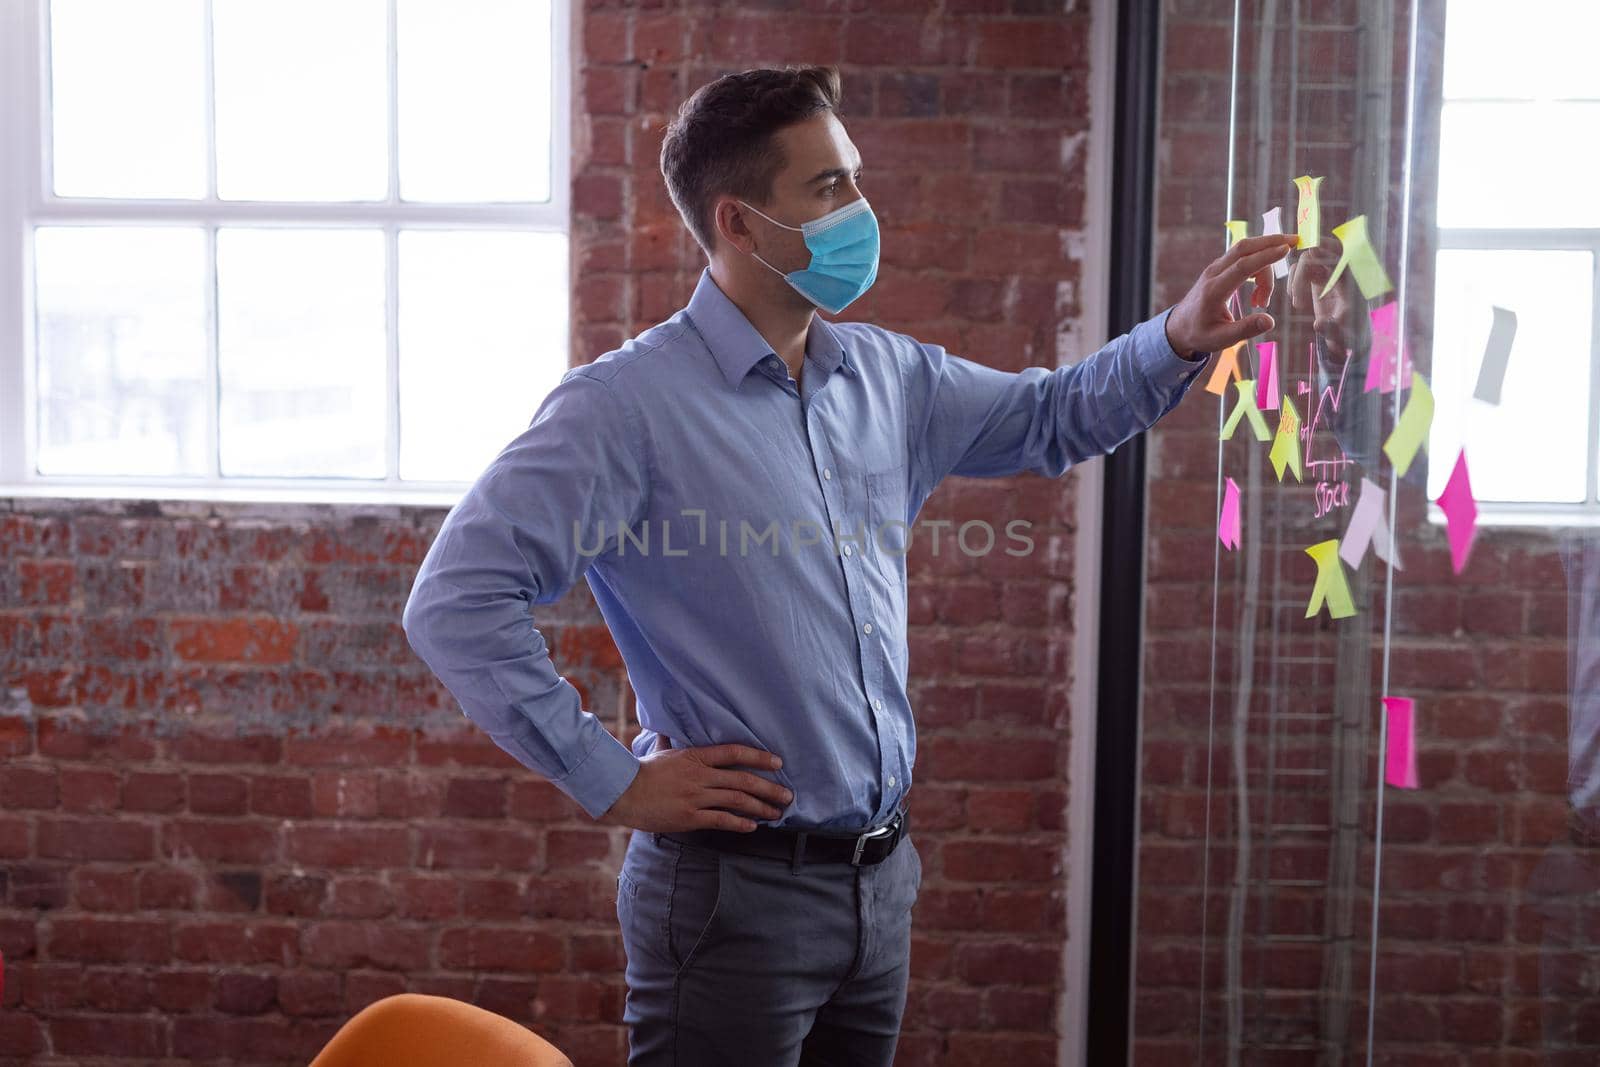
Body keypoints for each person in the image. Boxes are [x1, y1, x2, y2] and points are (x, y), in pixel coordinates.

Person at [402, 64, 1289, 1067]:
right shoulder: (622, 408)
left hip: (877, 881)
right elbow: (456, 598)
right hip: (731, 896)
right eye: (828, 188)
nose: (859, 209)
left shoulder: (887, 375)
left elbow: (1049, 416)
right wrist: (612, 779)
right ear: (738, 222)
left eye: (854, 179)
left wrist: (1175, 337)